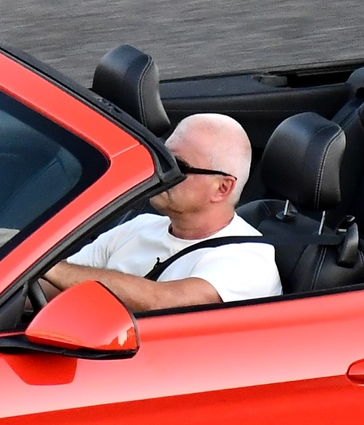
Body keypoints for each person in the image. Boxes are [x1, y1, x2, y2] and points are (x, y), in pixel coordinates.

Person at [41, 112, 282, 312]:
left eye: (177, 166)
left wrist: (47, 264)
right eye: (162, 158)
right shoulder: (138, 227)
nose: (160, 172)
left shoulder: (248, 259)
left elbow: (166, 302)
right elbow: (53, 287)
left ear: (221, 188)